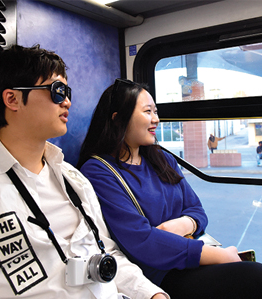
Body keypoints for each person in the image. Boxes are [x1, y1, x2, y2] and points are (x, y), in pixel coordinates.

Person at [0, 45, 167, 299]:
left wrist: (152, 294)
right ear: (12, 99)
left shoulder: (76, 181)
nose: (67, 101)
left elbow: (107, 252)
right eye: (57, 91)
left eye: (67, 91)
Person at [78, 78, 262, 298]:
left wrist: (175, 226)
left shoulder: (162, 158)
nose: (156, 119)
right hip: (160, 274)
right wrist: (219, 256)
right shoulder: (99, 171)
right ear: (118, 120)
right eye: (147, 112)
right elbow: (142, 241)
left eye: (155, 111)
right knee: (254, 276)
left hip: (193, 256)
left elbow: (197, 211)